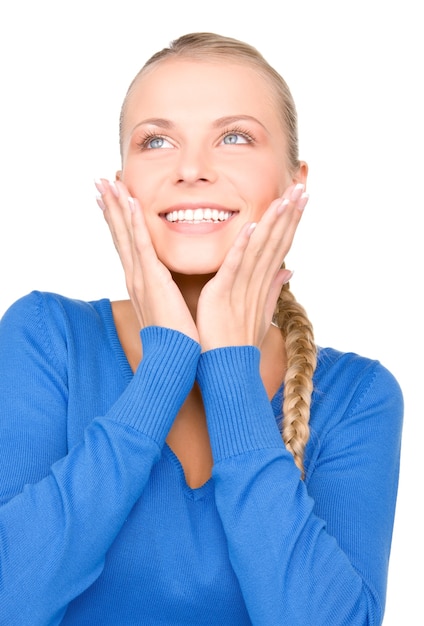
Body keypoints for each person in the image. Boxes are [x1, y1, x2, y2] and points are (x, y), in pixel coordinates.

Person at [0, 32, 403, 625]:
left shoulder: (357, 396)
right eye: (157, 141)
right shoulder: (47, 335)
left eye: (234, 137)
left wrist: (231, 371)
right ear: (124, 184)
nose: (191, 169)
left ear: (296, 183)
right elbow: (12, 599)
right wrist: (167, 361)